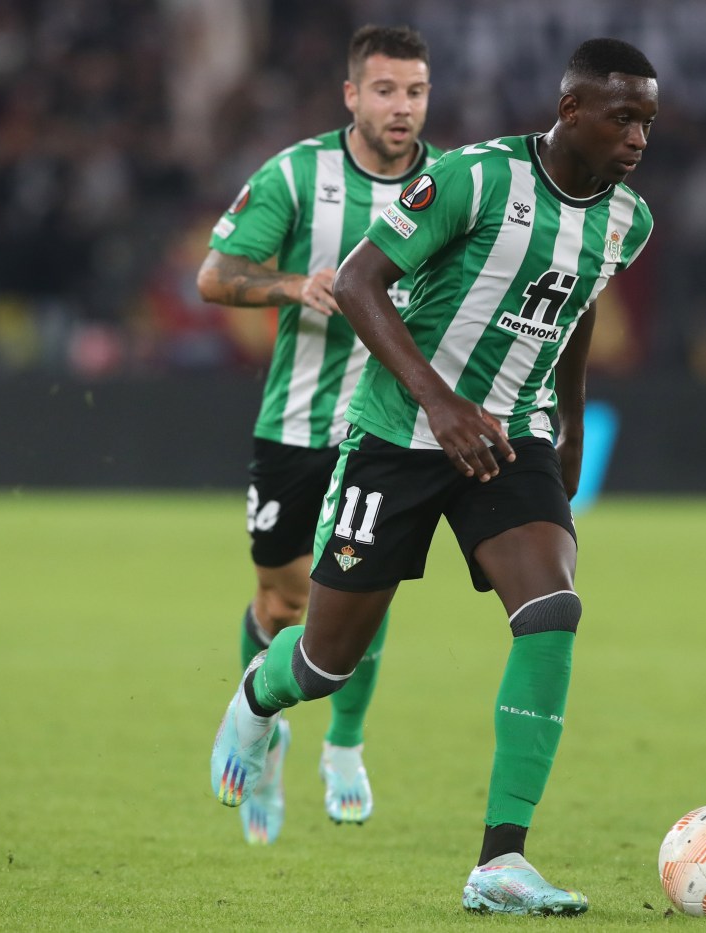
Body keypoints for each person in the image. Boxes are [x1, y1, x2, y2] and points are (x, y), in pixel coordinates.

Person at [210, 36, 658, 914]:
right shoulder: (475, 179)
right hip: (399, 433)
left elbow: (580, 299)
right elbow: (358, 282)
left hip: (509, 436)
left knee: (552, 610)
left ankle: (502, 859)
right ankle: (258, 699)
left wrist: (567, 421)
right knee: (326, 662)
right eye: (623, 118)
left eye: (647, 120)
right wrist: (440, 402)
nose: (639, 137)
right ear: (571, 110)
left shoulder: (628, 220)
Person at [196, 24, 443, 846]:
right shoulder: (297, 175)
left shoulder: (452, 185)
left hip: (387, 430)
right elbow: (214, 274)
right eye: (385, 90)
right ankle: (265, 734)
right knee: (280, 597)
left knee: (363, 590)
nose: (401, 107)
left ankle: (345, 745)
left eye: (415, 91)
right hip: (295, 424)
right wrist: (292, 285)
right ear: (351, 95)